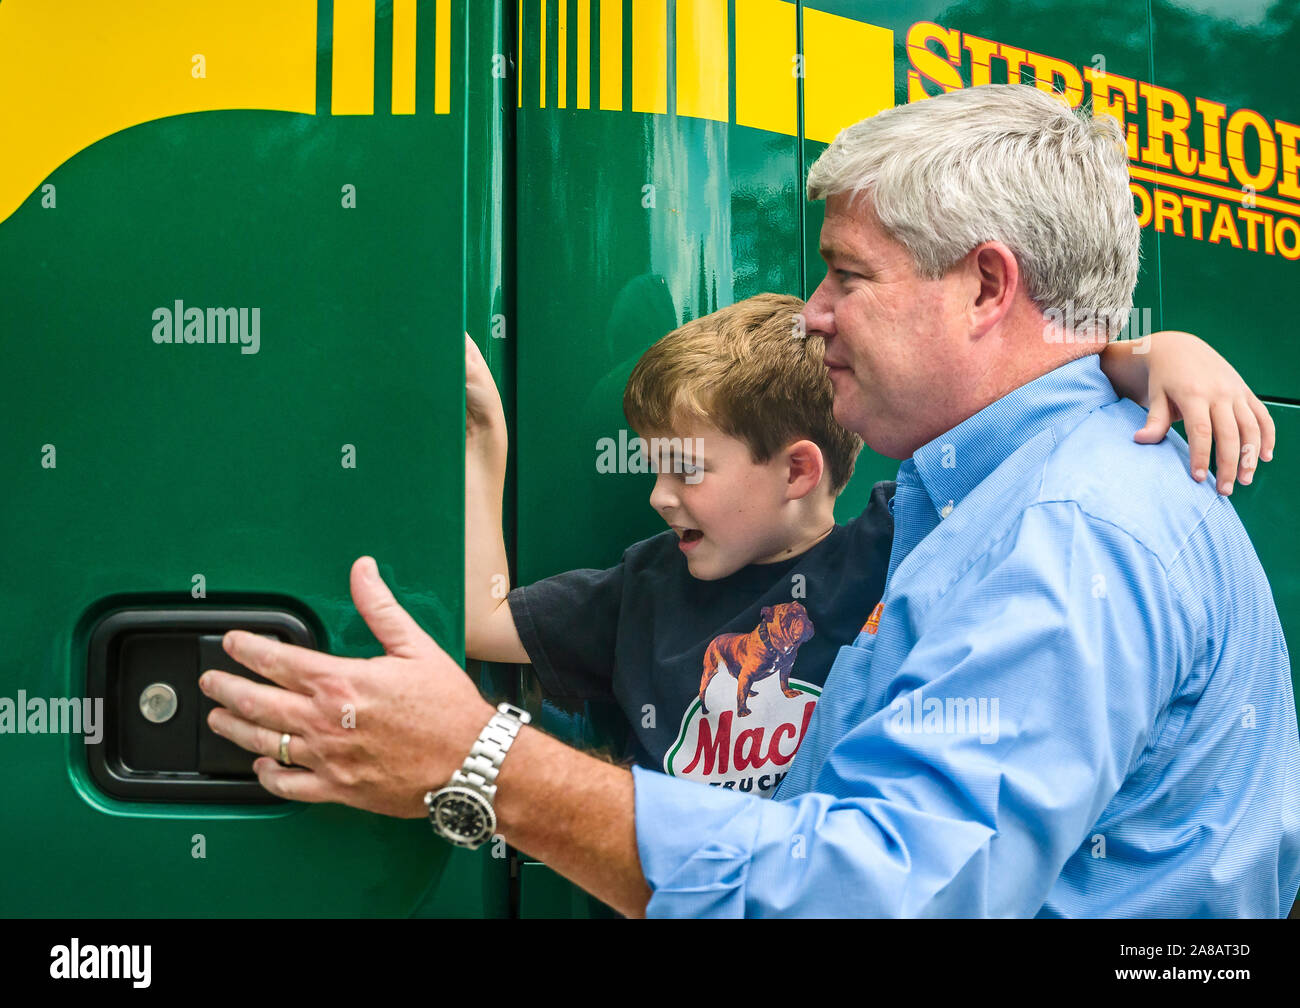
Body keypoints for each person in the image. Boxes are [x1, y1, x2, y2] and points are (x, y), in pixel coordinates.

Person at [198, 83, 1300, 918]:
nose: (811, 314)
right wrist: (1132, 353)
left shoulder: (1064, 535)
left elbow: (876, 898)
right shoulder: (1035, 488)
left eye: (848, 276)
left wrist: (485, 766)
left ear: (985, 286)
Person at [466, 293, 1266, 800]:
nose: (657, 497)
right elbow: (482, 620)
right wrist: (485, 445)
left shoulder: (901, 543)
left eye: (685, 470)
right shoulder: (641, 588)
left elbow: (1029, 408)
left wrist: (1156, 352)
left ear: (798, 471)